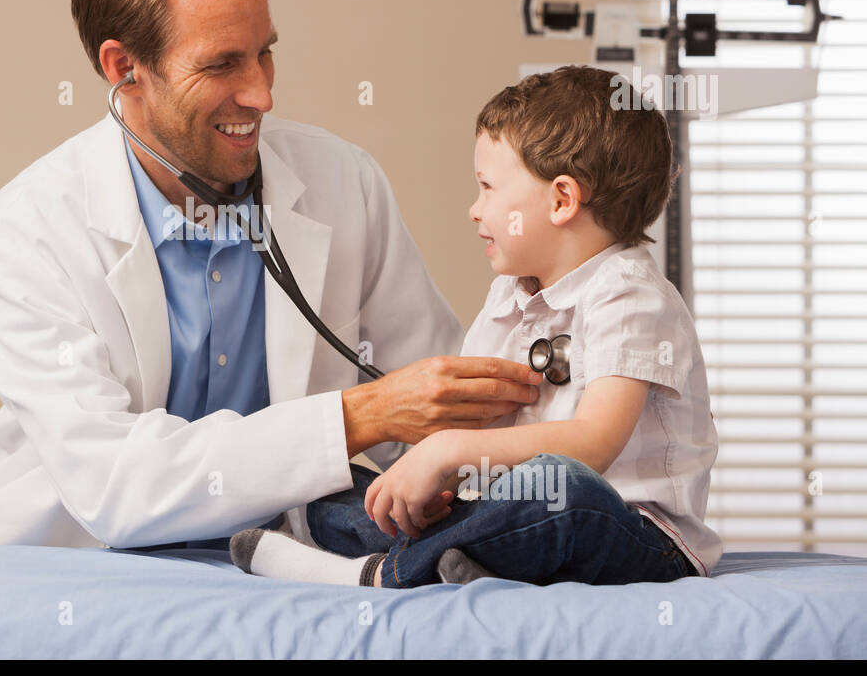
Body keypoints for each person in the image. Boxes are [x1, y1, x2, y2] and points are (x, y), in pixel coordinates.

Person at [0, 0, 543, 554]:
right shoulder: (25, 235)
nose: (262, 94)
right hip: (74, 564)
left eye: (265, 54)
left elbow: (439, 412)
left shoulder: (344, 184)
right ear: (124, 68)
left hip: (283, 568)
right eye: (222, 64)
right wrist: (356, 418)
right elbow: (117, 489)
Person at [231, 65, 723, 587]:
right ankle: (452, 558)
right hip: (512, 513)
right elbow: (475, 431)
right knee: (328, 485)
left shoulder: (629, 295)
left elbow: (594, 442)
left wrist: (448, 452)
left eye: (487, 187)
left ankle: (378, 573)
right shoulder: (510, 294)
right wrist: (438, 480)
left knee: (558, 486)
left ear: (561, 200)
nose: (474, 209)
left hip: (633, 532)